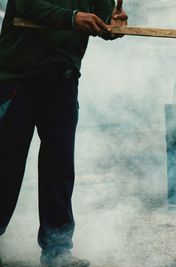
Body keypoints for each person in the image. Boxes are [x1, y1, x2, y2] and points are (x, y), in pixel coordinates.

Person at [0, 0, 128, 266]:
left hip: (63, 77)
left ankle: (57, 249)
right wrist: (72, 18)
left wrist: (112, 24)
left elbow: (100, 18)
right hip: (15, 76)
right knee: (5, 165)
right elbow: (25, 5)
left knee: (59, 167)